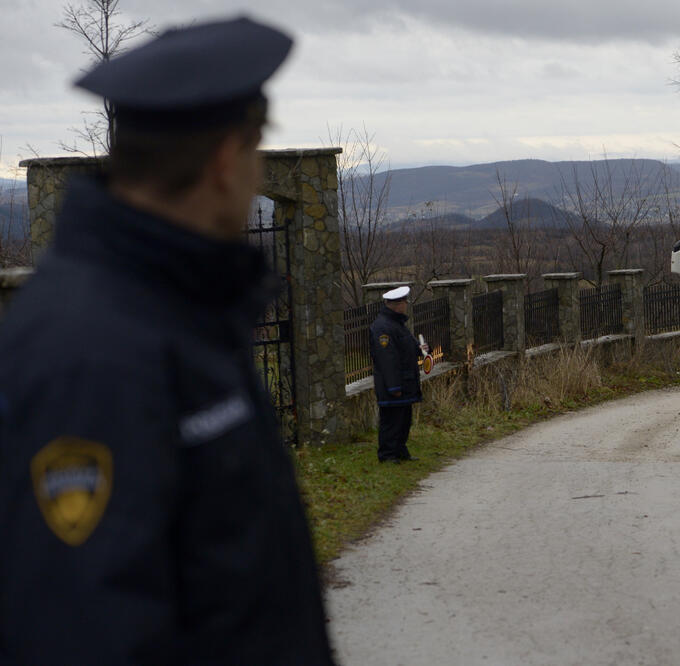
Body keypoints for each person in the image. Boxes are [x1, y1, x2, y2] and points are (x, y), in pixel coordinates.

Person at [0, 17, 335, 665]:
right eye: (257, 151)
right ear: (225, 161)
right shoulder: (91, 352)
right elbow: (84, 628)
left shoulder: (179, 309)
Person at [369, 286, 427, 463]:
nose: (406, 305)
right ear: (396, 304)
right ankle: (387, 454)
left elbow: (407, 347)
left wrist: (421, 349)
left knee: (403, 421)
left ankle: (400, 450)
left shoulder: (397, 325)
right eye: (404, 302)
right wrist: (394, 387)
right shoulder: (383, 327)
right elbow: (387, 359)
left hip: (406, 381)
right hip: (394, 384)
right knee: (391, 421)